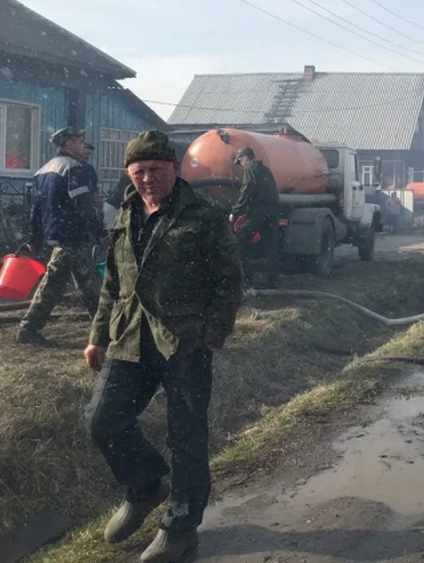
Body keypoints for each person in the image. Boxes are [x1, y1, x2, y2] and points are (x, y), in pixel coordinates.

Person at [84, 130, 243, 563]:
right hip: (130, 337)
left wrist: (213, 333)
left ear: (174, 169)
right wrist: (98, 335)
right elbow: (112, 284)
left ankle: (180, 528)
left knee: (186, 438)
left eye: (156, 169)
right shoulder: (125, 214)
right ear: (129, 174)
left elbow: (229, 281)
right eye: (139, 171)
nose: (148, 178)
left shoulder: (203, 215)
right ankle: (145, 487)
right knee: (102, 420)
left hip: (184, 344)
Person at [17, 127, 103, 345]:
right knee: (92, 287)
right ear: (70, 144)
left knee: (54, 285)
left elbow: (36, 210)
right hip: (75, 237)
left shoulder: (43, 171)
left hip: (57, 237)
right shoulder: (75, 169)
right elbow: (84, 206)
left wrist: (34, 239)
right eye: (81, 142)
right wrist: (100, 233)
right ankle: (107, 333)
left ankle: (28, 329)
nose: (84, 146)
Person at [231, 147, 280, 289]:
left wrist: (235, 211)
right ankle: (272, 281)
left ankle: (246, 279)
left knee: (239, 239)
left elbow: (247, 191)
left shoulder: (250, 170)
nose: (241, 165)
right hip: (273, 209)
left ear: (245, 157)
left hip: (259, 211)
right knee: (271, 245)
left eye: (240, 161)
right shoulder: (265, 169)